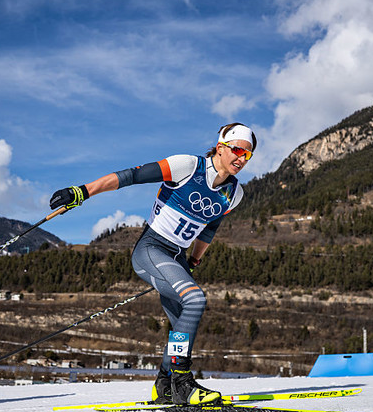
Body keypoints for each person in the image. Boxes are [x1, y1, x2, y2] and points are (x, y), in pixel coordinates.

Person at [49, 122, 256, 405]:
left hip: (177, 257)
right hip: (152, 249)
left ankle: (165, 385)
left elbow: (209, 229)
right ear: (220, 148)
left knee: (181, 321)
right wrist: (83, 191)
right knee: (195, 300)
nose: (241, 159)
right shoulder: (186, 166)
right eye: (237, 150)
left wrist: (194, 259)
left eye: (248, 155)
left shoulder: (234, 194)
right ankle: (183, 382)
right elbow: (131, 176)